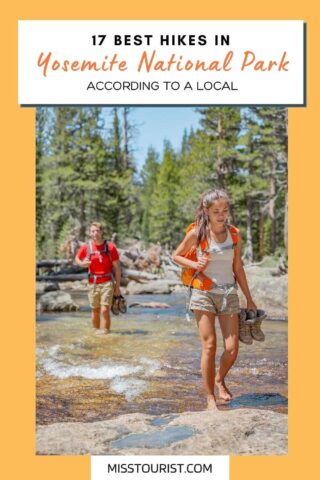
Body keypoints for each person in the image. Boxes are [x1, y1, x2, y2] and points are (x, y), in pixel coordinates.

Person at [172, 189, 257, 411]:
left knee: (232, 349)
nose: (221, 215)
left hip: (228, 293)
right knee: (209, 346)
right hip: (203, 293)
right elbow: (176, 255)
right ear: (206, 211)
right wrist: (194, 265)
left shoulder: (234, 234)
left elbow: (238, 267)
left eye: (225, 210)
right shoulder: (198, 233)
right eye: (216, 211)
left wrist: (249, 298)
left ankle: (220, 379)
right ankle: (210, 396)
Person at [75, 222, 121, 335]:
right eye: (93, 231)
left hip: (107, 283)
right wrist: (81, 264)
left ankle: (105, 333)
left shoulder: (110, 247)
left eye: (97, 231)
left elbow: (118, 269)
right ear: (90, 233)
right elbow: (77, 258)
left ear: (101, 232)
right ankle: (96, 333)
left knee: (105, 310)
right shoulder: (86, 247)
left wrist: (117, 288)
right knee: (95, 310)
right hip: (93, 283)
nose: (95, 233)